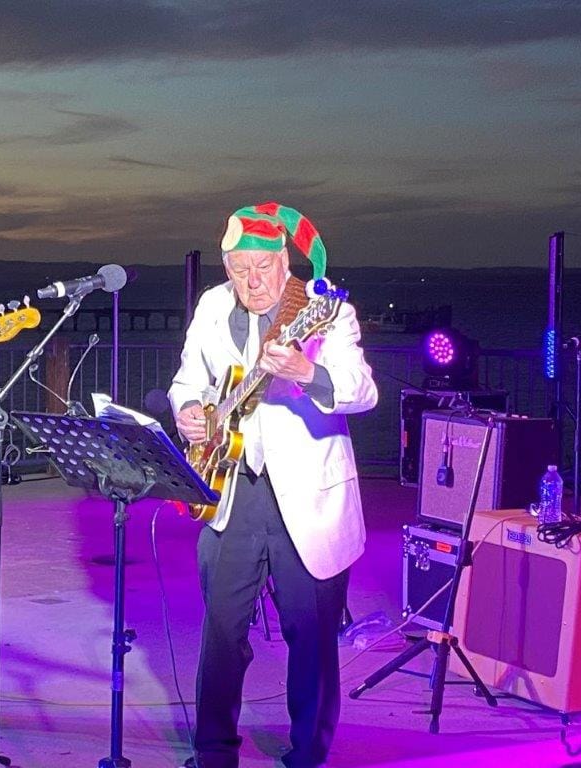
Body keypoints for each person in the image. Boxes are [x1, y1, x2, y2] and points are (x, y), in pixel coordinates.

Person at [169, 203, 377, 768]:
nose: (252, 281)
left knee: (310, 635)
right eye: (239, 270)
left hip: (306, 498)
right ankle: (214, 753)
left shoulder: (325, 311)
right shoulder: (213, 305)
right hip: (231, 487)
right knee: (221, 632)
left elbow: (363, 390)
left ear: (285, 261)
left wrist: (307, 373)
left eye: (262, 267)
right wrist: (189, 411)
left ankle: (307, 754)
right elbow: (188, 378)